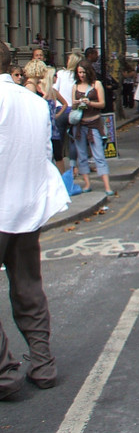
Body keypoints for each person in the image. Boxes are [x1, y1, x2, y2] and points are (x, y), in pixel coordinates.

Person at [0, 41, 70, 399]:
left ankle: (5, 377)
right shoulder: (34, 103)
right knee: (28, 287)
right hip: (27, 209)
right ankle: (43, 365)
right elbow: (46, 153)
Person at [70, 60, 113, 196]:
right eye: (79, 73)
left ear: (88, 71)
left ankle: (107, 186)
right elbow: (73, 106)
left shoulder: (97, 84)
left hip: (94, 123)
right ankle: (87, 184)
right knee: (81, 155)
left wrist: (90, 103)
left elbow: (102, 104)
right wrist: (77, 104)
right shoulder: (75, 86)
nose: (81, 75)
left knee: (99, 154)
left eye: (83, 72)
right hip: (79, 125)